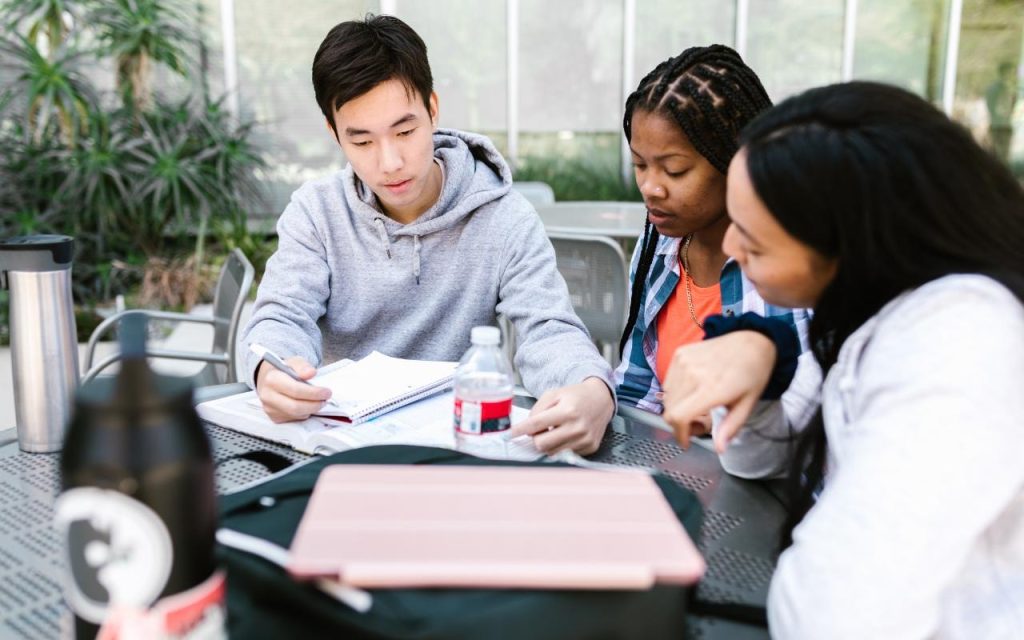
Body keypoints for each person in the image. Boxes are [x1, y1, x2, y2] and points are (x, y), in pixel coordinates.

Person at [662, 81, 1024, 638]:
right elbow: (755, 460)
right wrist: (765, 362)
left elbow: (836, 611)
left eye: (754, 242)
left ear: (854, 244)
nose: (731, 248)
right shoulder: (865, 310)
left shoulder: (962, 342)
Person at [242, 15, 615, 455]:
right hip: (341, 448)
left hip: (454, 446)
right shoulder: (316, 212)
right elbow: (280, 318)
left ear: (433, 109)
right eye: (362, 142)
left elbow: (549, 330)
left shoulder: (503, 217)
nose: (390, 162)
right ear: (334, 133)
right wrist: (272, 369)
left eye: (405, 131)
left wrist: (593, 391)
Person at [614, 44, 812, 420]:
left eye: (674, 171)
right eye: (640, 165)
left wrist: (729, 416)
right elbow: (636, 391)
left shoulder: (791, 261)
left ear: (735, 159)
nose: (651, 187)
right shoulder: (658, 245)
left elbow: (812, 410)